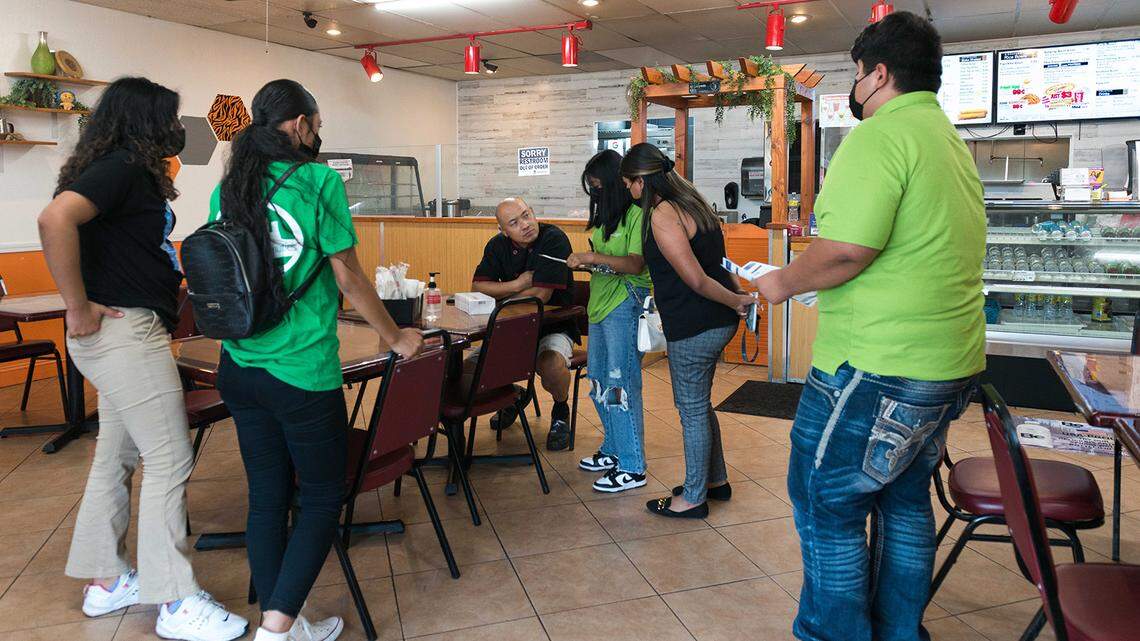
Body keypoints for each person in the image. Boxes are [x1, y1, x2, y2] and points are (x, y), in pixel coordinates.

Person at [750, 13, 985, 641]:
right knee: (904, 501)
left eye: (857, 76)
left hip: (879, 365)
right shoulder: (947, 141)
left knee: (828, 502)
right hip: (948, 362)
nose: (855, 89)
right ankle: (899, 632)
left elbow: (849, 250)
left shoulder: (880, 136)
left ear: (878, 74)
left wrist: (779, 282)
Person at [206, 79, 423, 641]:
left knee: (267, 497)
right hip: (301, 369)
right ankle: (277, 630)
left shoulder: (229, 187)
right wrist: (396, 336)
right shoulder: (317, 180)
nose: (319, 134)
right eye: (317, 124)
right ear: (300, 125)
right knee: (324, 496)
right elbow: (349, 277)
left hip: (239, 365)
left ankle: (285, 620)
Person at [37, 77, 248, 641]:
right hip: (123, 333)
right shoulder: (122, 168)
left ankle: (107, 582)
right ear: (146, 121)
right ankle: (175, 601)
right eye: (171, 118)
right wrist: (76, 307)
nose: (179, 129)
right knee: (171, 458)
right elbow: (54, 220)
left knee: (117, 456)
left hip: (127, 328)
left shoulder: (119, 167)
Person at [620, 143, 754, 518]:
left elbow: (695, 278)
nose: (628, 191)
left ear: (641, 182)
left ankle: (693, 497)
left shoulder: (663, 213)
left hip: (695, 323)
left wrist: (735, 300)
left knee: (691, 409)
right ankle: (715, 481)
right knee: (700, 404)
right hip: (716, 320)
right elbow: (719, 263)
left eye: (629, 183)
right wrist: (735, 296)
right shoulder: (693, 200)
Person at [567, 150, 653, 492]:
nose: (596, 194)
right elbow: (608, 261)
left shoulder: (638, 215)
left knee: (621, 385)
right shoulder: (607, 219)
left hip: (624, 305)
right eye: (593, 189)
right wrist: (592, 263)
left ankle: (633, 466)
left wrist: (590, 257)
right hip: (599, 305)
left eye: (600, 187)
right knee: (599, 381)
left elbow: (634, 264)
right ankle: (615, 449)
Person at [471, 197, 578, 451]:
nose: (526, 224)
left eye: (527, 215)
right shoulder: (497, 246)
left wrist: (500, 295)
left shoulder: (553, 239)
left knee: (550, 365)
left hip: (553, 326)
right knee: (472, 369)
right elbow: (477, 287)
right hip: (510, 328)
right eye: (515, 222)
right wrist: (518, 284)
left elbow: (540, 296)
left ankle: (561, 410)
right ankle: (514, 396)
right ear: (503, 231)